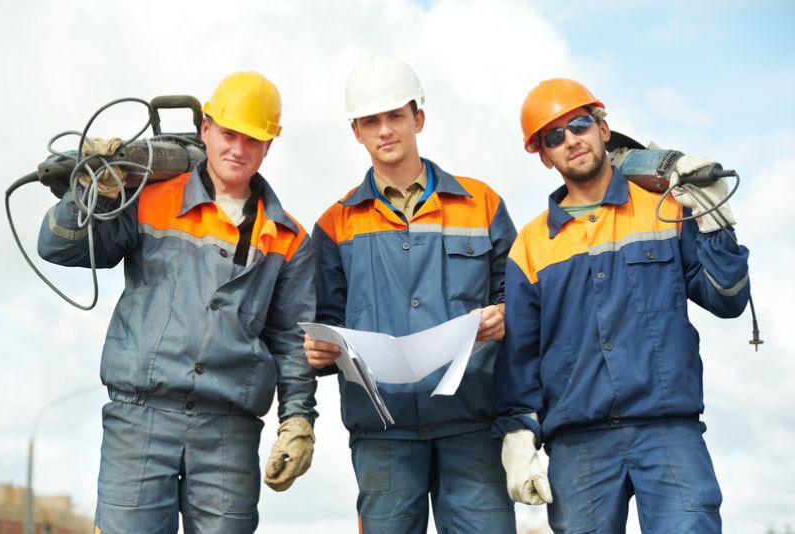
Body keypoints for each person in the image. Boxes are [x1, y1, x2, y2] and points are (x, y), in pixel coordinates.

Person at [37, 71, 318, 533]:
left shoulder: (288, 239)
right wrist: (91, 190)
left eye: (253, 140)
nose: (238, 149)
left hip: (229, 433)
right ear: (205, 129)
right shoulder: (148, 200)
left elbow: (291, 341)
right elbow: (59, 247)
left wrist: (298, 419)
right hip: (140, 421)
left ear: (269, 147)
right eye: (229, 133)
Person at [492, 78, 750, 533]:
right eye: (555, 136)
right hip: (578, 444)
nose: (571, 140)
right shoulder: (530, 247)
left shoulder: (666, 210)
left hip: (668, 430)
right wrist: (518, 436)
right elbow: (520, 358)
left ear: (603, 128)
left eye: (579, 125)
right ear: (543, 155)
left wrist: (716, 229)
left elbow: (727, 300)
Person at [304, 54, 518, 533]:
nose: (385, 130)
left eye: (395, 116)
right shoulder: (334, 225)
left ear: (417, 118)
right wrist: (317, 352)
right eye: (371, 121)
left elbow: (521, 300)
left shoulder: (482, 204)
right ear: (355, 131)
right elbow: (324, 319)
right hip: (383, 436)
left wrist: (505, 315)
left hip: (473, 427)